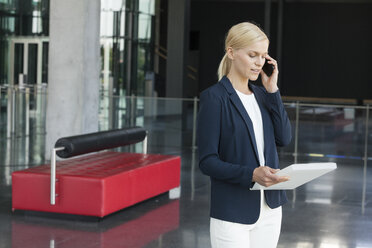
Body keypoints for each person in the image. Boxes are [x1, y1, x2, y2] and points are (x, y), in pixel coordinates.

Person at [197, 22, 292, 248]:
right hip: (232, 212)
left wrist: (273, 91)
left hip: (270, 208)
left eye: (263, 56)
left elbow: (284, 138)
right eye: (252, 55)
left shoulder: (262, 95)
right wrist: (251, 174)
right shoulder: (215, 98)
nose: (259, 63)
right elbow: (207, 162)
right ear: (231, 52)